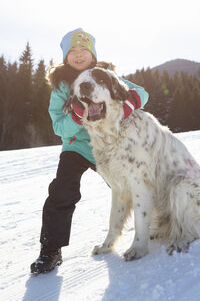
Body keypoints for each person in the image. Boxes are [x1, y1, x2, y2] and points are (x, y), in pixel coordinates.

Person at [30, 28, 149, 274]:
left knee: (129, 188)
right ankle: (50, 252)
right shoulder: (62, 86)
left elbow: (142, 93)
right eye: (72, 50)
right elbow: (58, 127)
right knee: (61, 192)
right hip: (76, 147)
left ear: (93, 54)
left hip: (107, 146)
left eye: (83, 49)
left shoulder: (104, 75)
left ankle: (158, 225)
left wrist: (127, 106)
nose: (78, 54)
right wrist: (77, 114)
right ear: (65, 56)